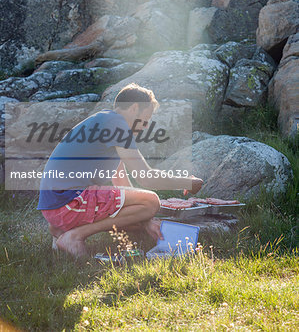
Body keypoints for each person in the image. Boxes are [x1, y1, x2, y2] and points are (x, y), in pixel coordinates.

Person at [37, 83, 204, 257]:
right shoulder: (116, 124)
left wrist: (145, 219)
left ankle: (60, 230)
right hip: (69, 203)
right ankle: (74, 236)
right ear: (134, 108)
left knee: (138, 214)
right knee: (151, 202)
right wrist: (186, 182)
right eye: (145, 119)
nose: (146, 126)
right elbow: (145, 178)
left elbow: (121, 181)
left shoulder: (104, 121)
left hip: (54, 207)